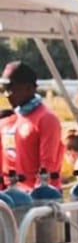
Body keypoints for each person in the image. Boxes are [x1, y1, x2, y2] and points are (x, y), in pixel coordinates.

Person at [0, 61, 64, 189]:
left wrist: (38, 195)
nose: (7, 95)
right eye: (4, 90)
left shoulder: (46, 118)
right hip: (11, 194)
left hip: (36, 197)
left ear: (29, 88)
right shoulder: (8, 119)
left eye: (12, 90)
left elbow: (47, 164)